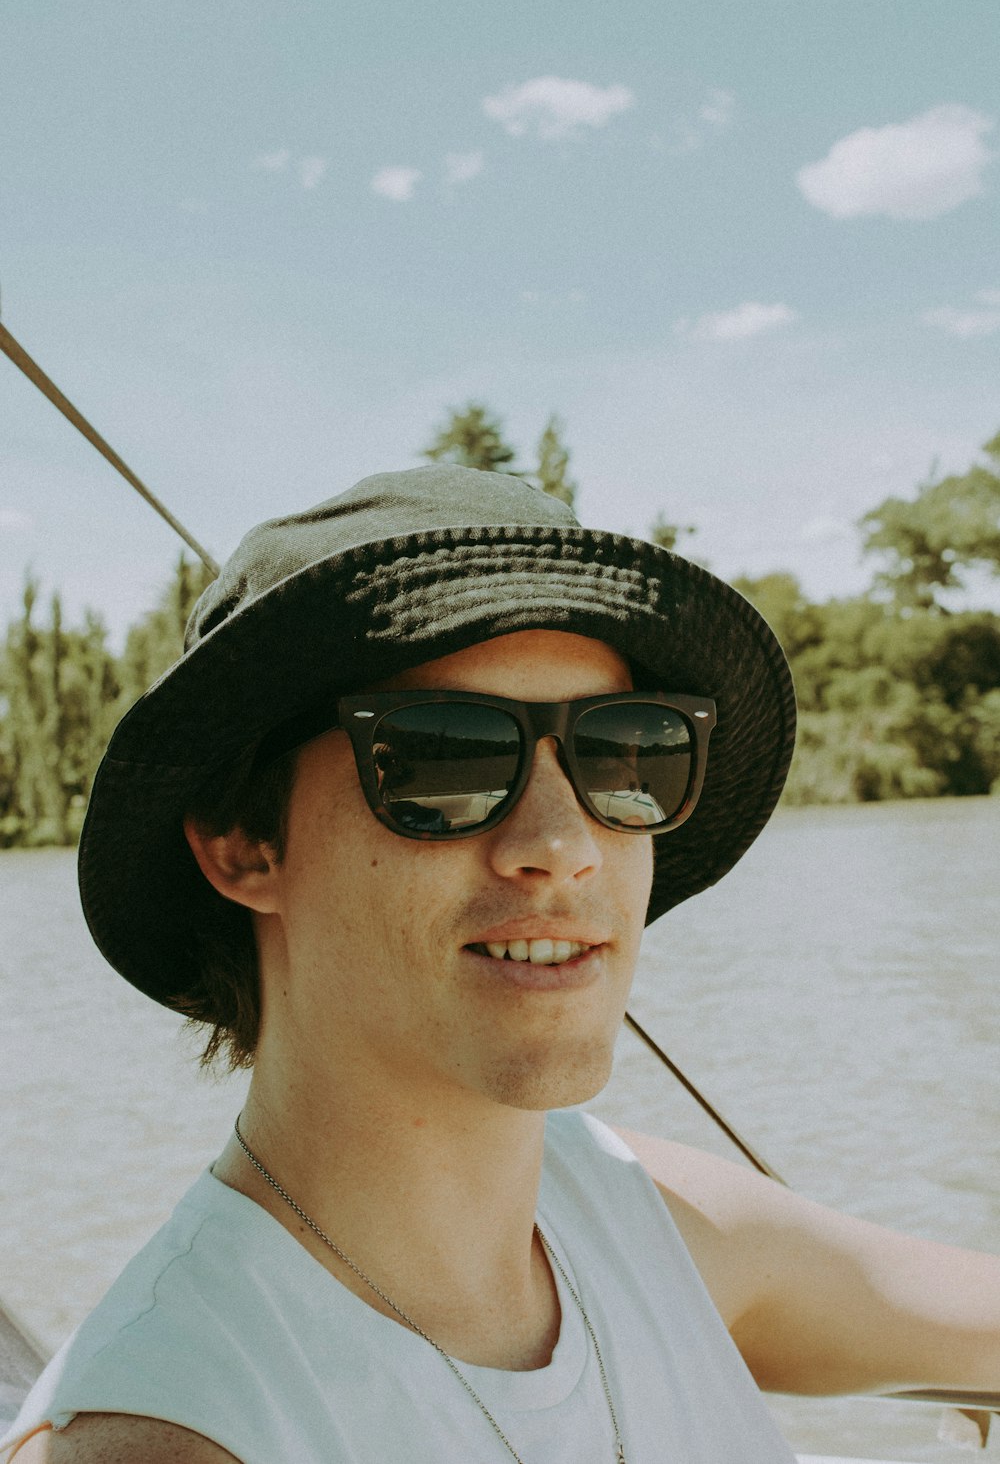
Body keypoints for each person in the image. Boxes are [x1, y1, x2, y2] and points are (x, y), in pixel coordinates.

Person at [3, 463, 998, 1464]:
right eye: (444, 758)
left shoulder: (631, 1211)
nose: (562, 843)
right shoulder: (178, 1428)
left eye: (624, 753)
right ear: (240, 842)